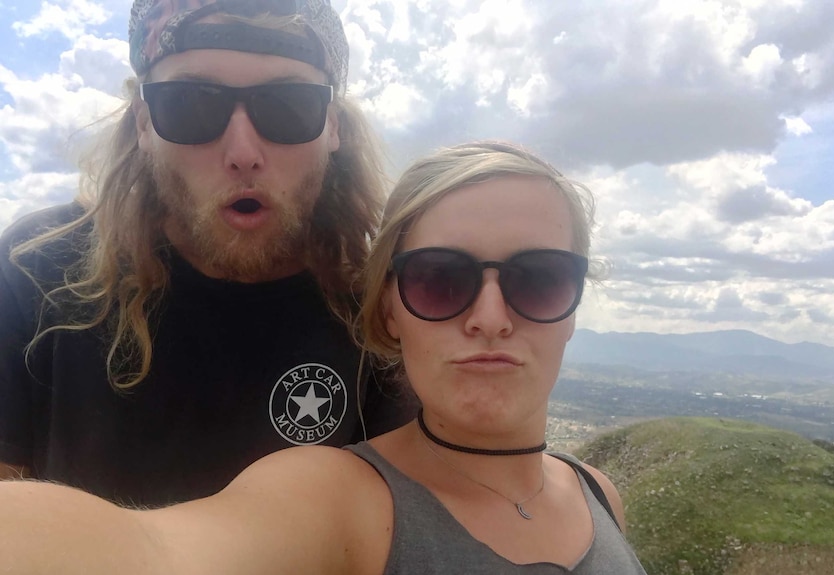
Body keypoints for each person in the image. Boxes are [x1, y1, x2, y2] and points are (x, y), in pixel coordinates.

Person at [0, 141, 647, 574]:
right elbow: (150, 552)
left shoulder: (599, 493)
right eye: (439, 279)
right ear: (391, 308)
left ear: (572, 305)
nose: (489, 316)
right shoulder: (342, 496)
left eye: (540, 279)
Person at [0, 0, 414, 506]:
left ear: (332, 126)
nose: (243, 152)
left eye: (287, 106)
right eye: (191, 104)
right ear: (144, 124)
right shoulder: (38, 271)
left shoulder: (379, 308)